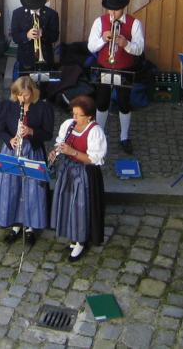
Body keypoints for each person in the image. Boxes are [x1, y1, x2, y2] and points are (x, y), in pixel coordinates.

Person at [0, 76, 54, 244]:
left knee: (32, 190)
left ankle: (30, 227)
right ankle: (15, 224)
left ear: (33, 93)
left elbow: (48, 134)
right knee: (11, 188)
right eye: (19, 95)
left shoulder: (42, 107)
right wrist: (10, 139)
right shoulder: (8, 106)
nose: (23, 98)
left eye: (26, 95)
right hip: (12, 150)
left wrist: (31, 131)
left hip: (32, 151)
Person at [49, 95, 107, 262]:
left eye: (78, 115)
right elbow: (61, 144)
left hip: (85, 174)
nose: (74, 118)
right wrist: (56, 151)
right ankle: (73, 236)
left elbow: (94, 159)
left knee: (81, 206)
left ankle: (81, 240)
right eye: (73, 113)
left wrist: (72, 152)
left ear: (89, 116)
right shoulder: (68, 125)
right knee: (68, 203)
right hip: (68, 170)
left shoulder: (95, 132)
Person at [87, 0, 144, 155]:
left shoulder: (134, 23)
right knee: (102, 102)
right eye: (109, 9)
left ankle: (124, 137)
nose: (112, 13)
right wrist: (102, 39)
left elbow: (139, 49)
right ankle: (99, 134)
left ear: (123, 8)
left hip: (125, 69)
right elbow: (91, 47)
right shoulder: (100, 21)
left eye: (116, 10)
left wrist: (126, 44)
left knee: (124, 103)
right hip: (104, 67)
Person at [10, 0, 59, 72]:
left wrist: (43, 33)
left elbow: (55, 36)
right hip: (25, 59)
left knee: (44, 80)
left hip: (46, 58)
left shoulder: (51, 14)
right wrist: (27, 35)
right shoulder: (17, 13)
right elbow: (15, 37)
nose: (34, 8)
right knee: (25, 80)